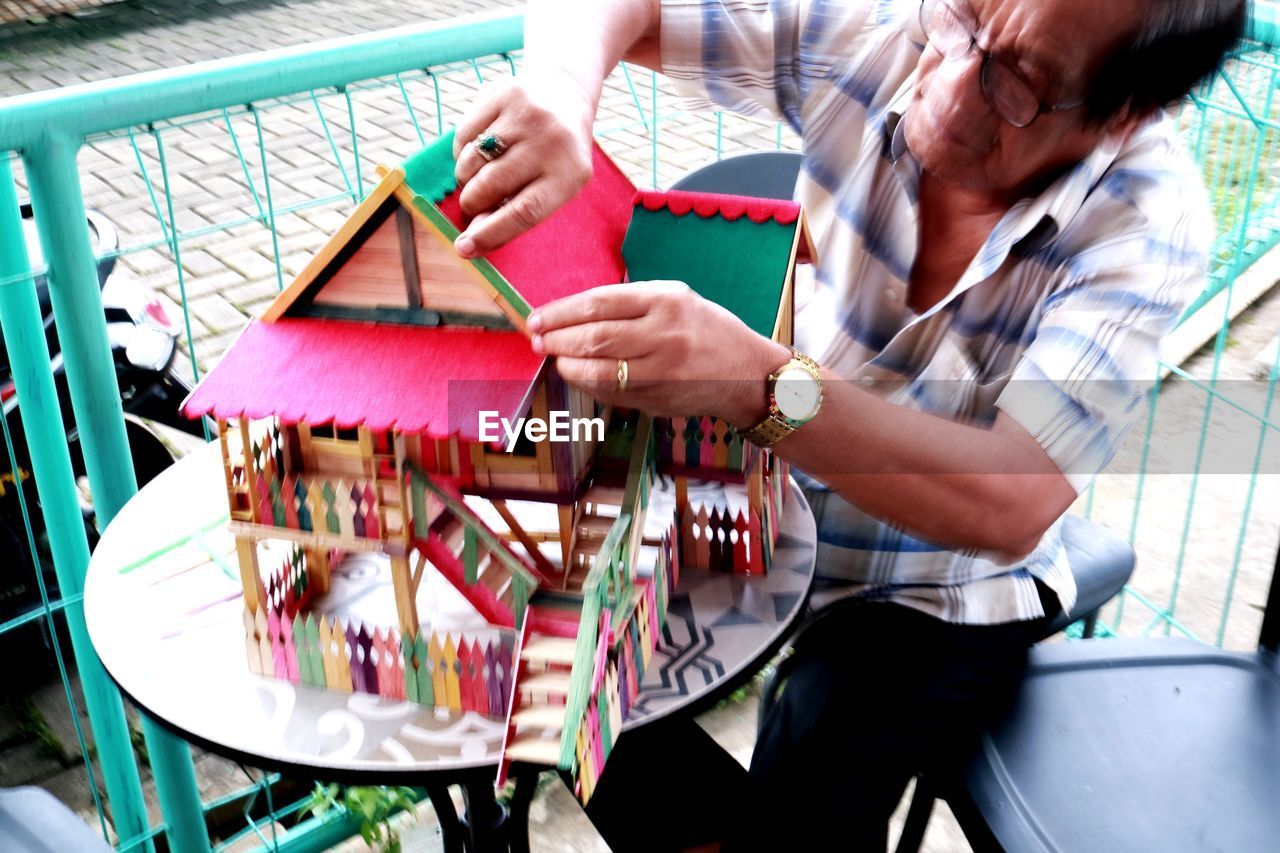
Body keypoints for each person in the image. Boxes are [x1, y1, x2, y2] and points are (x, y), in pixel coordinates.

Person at [452, 0, 1245, 848]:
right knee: (562, 660)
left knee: (818, 751)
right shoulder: (878, 33)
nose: (946, 87)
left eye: (1017, 83)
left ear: (1131, 111)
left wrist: (758, 386)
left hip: (946, 581)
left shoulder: (1146, 229)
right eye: (963, 18)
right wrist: (561, 90)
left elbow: (1010, 502)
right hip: (772, 498)